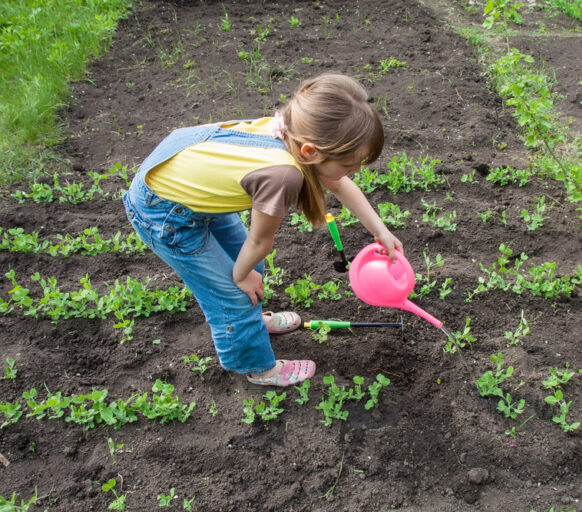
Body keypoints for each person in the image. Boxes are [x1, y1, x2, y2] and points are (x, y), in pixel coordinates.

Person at [122, 74, 403, 387]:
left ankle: (252, 321)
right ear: (311, 152)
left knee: (248, 265)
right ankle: (257, 367)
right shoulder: (283, 175)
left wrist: (380, 230)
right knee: (233, 293)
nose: (355, 171)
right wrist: (240, 276)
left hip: (188, 191)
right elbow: (260, 241)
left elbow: (337, 182)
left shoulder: (291, 128)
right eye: (350, 164)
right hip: (163, 212)